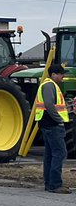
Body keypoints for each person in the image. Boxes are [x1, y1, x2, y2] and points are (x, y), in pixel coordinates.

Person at [33, 61, 70, 194]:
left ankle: (49, 183)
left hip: (47, 123)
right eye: (61, 74)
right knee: (60, 153)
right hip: (52, 124)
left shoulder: (48, 85)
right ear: (53, 74)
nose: (63, 77)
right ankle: (55, 184)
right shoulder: (49, 85)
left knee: (50, 154)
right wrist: (59, 120)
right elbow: (49, 104)